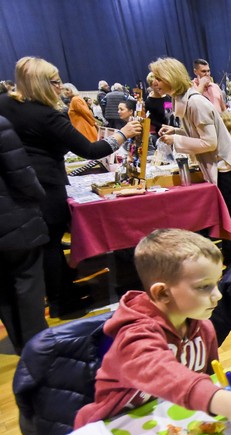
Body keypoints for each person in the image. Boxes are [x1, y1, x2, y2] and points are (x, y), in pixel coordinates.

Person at [74, 230, 231, 435]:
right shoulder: (134, 335)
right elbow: (163, 371)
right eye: (203, 287)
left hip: (169, 423)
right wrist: (225, 402)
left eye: (216, 283)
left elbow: (207, 379)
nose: (217, 295)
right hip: (111, 432)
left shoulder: (204, 328)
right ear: (162, 293)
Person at [0, 57, 141, 318]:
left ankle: (61, 294)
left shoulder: (6, 104)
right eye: (55, 82)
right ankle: (62, 302)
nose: (60, 86)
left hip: (12, 188)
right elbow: (91, 149)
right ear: (42, 83)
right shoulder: (45, 115)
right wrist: (124, 134)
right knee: (50, 245)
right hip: (45, 187)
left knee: (43, 247)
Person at [150, 57, 231, 261]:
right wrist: (176, 130)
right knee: (226, 215)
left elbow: (209, 143)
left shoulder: (195, 102)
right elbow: (197, 134)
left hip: (224, 167)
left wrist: (176, 139)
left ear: (170, 78)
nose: (156, 83)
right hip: (216, 164)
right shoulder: (184, 99)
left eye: (159, 78)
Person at [0, 115, 48, 355]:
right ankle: (38, 346)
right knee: (28, 281)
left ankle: (21, 342)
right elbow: (21, 174)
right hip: (14, 217)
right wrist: (40, 197)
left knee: (4, 286)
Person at [145, 72, 172, 146]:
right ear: (151, 86)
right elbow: (150, 120)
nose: (158, 87)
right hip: (160, 132)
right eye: (155, 85)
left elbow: (169, 112)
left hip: (172, 129)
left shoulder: (166, 97)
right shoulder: (149, 102)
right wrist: (163, 126)